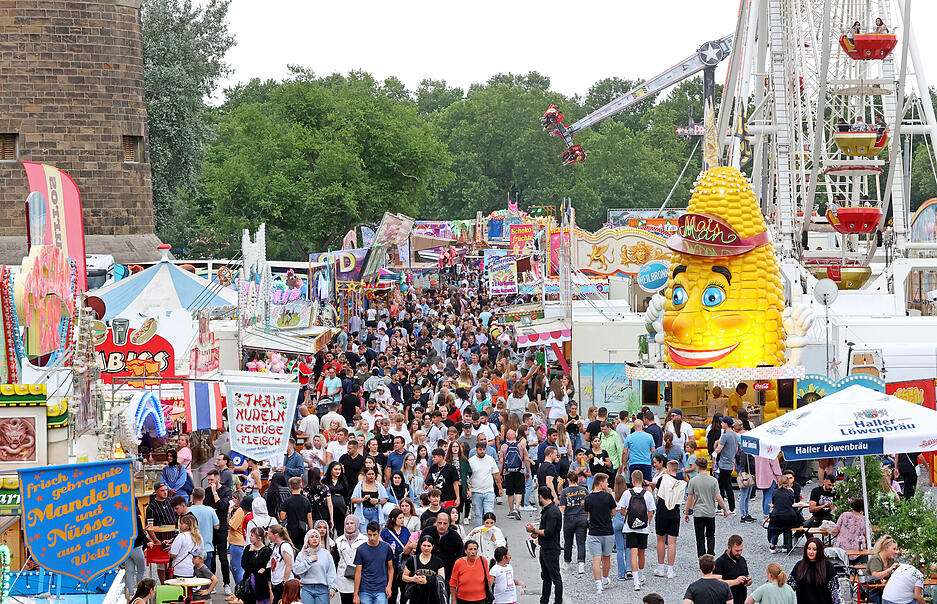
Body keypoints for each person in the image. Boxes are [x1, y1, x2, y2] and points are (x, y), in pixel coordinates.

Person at [618, 469, 656, 591]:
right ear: (642, 479)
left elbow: (622, 510)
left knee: (632, 553)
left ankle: (635, 582)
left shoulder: (627, 493)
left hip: (629, 527)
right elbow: (651, 512)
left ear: (633, 480)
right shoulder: (648, 494)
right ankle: (640, 576)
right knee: (642, 553)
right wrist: (646, 522)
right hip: (643, 528)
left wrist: (629, 517)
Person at [524, 487, 562, 604]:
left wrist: (534, 530)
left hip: (551, 549)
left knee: (556, 578)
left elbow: (549, 532)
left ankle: (558, 601)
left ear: (540, 496)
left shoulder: (552, 512)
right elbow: (545, 531)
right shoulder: (547, 510)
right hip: (545, 548)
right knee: (546, 577)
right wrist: (537, 533)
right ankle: (544, 601)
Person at [686, 457, 729, 556]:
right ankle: (710, 554)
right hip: (710, 512)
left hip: (698, 512)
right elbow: (718, 497)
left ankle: (701, 557)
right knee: (710, 535)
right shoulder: (713, 480)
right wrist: (725, 509)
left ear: (697, 466)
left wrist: (687, 512)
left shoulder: (693, 481)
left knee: (699, 537)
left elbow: (689, 498)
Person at [584, 472, 616, 593]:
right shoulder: (608, 497)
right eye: (606, 481)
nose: (607, 484)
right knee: (606, 557)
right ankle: (604, 578)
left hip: (594, 532)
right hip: (607, 531)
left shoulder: (588, 498)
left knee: (596, 559)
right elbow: (614, 512)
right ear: (600, 482)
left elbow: (588, 514)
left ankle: (598, 585)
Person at [654, 459, 686, 579]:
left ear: (667, 469)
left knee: (661, 540)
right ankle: (670, 570)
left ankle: (661, 568)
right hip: (674, 512)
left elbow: (658, 495)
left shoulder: (663, 479)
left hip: (662, 511)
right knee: (672, 542)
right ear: (676, 470)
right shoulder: (681, 483)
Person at [353, 521, 394, 604]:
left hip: (381, 589)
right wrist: (355, 594)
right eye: (369, 534)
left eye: (374, 535)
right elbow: (358, 573)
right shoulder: (361, 549)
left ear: (379, 533)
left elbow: (391, 569)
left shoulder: (386, 548)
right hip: (365, 589)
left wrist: (389, 585)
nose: (372, 538)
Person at [292, 529, 337, 604]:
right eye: (311, 537)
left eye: (317, 537)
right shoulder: (302, 554)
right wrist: (309, 560)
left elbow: (331, 571)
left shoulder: (326, 554)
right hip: (306, 588)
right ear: (307, 539)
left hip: (323, 588)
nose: (314, 539)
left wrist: (332, 587)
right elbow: (296, 570)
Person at [788, 538, 838, 604]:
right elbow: (789, 587)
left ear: (819, 550)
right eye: (809, 549)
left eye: (814, 549)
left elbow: (835, 592)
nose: (811, 552)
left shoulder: (828, 566)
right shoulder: (799, 565)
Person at [558, 469, 588, 576]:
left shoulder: (565, 492)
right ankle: (581, 564)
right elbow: (587, 504)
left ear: (568, 480)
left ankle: (567, 562)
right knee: (581, 542)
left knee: (568, 542)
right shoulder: (584, 490)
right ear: (577, 479)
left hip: (569, 518)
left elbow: (562, 507)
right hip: (582, 517)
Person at [380, 509, 412, 604]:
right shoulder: (386, 532)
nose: (402, 520)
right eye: (400, 518)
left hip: (403, 561)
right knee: (392, 589)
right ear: (393, 519)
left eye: (403, 518)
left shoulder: (405, 530)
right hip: (390, 562)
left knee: (404, 590)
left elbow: (408, 545)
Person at [422, 511, 464, 581]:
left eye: (445, 523)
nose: (442, 526)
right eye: (439, 523)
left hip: (447, 572)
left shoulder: (455, 537)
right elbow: (418, 550)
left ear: (449, 524)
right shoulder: (427, 531)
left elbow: (460, 555)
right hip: (426, 570)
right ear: (436, 523)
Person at [403, 536, 446, 604]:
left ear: (432, 546)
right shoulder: (412, 560)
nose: (426, 548)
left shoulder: (438, 561)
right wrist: (413, 579)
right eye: (424, 545)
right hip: (415, 596)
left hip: (433, 597)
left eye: (429, 546)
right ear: (420, 545)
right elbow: (404, 577)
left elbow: (441, 579)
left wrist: (428, 580)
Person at [467, 440, 501, 527]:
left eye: (483, 449)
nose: (482, 451)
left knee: (489, 513)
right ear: (476, 450)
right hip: (476, 491)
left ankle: (489, 531)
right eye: (480, 449)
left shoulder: (490, 460)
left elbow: (496, 475)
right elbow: (467, 477)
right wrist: (469, 489)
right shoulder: (471, 461)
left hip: (489, 491)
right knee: (478, 514)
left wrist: (500, 488)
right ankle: (479, 533)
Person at [237, 527, 273, 604]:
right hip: (248, 578)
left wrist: (251, 553)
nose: (249, 537)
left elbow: (259, 565)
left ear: (259, 538)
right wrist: (254, 569)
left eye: (252, 535)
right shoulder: (248, 547)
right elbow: (243, 564)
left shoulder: (266, 551)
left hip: (260, 582)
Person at [499, 429, 529, 520]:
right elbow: (526, 458)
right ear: (515, 436)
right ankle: (517, 508)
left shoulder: (504, 446)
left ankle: (511, 511)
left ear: (506, 437)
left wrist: (500, 473)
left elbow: (501, 461)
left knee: (510, 492)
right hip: (519, 471)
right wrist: (528, 471)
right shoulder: (521, 445)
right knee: (519, 491)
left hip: (508, 472)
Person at [337, 516, 367, 604]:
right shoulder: (339, 540)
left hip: (360, 578)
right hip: (344, 578)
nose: (349, 526)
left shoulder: (364, 540)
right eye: (347, 523)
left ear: (357, 524)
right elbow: (336, 559)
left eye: (352, 523)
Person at [449, 540, 491, 604]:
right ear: (465, 551)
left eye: (475, 549)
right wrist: (453, 600)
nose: (473, 552)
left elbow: (488, 580)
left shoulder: (483, 560)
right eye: (470, 549)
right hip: (463, 599)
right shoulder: (459, 563)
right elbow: (453, 583)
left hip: (481, 599)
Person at [767, 475, 801, 553]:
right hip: (789, 515)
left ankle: (773, 546)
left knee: (775, 530)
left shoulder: (775, 492)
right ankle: (785, 546)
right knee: (787, 530)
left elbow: (774, 503)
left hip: (777, 516)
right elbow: (792, 502)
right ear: (788, 483)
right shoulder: (790, 492)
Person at [714, 535, 752, 604]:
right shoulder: (719, 563)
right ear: (729, 547)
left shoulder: (742, 560)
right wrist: (735, 581)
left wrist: (749, 581)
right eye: (737, 550)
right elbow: (716, 584)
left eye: (741, 550)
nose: (740, 553)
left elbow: (746, 575)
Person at [712, 416, 739, 515]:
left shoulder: (725, 435)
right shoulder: (735, 435)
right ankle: (720, 507)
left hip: (724, 464)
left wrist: (713, 455)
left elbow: (718, 449)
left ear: (726, 424)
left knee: (725, 486)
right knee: (722, 485)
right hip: (730, 462)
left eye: (722, 423)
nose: (721, 424)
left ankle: (731, 509)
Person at [610, 473, 633, 582]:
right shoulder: (628, 493)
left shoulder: (612, 494)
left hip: (615, 519)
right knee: (628, 546)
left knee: (619, 548)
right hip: (625, 519)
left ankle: (621, 573)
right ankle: (629, 569)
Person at [281, 476, 314, 548]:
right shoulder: (306, 500)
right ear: (301, 486)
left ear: (290, 486)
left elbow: (282, 517)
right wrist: (311, 530)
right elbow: (309, 517)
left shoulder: (287, 501)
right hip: (303, 528)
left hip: (291, 528)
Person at [866, 535, 899, 603]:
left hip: (885, 589)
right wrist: (890, 569)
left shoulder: (890, 560)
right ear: (886, 548)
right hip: (872, 590)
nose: (896, 552)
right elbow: (875, 576)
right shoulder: (876, 559)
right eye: (894, 549)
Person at [623, 419, 656, 485]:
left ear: (634, 427)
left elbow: (624, 451)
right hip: (646, 463)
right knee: (647, 484)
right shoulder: (649, 436)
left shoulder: (629, 437)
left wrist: (624, 463)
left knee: (634, 484)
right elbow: (653, 451)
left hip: (634, 463)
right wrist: (654, 463)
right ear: (643, 426)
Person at [268, 525, 295, 604]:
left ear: (275, 535)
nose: (268, 536)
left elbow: (289, 565)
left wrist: (284, 582)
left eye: (269, 534)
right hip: (276, 582)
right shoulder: (275, 546)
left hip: (283, 583)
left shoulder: (285, 546)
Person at [169, 514, 202, 578]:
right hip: (193, 569)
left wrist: (169, 552)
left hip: (180, 569)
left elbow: (173, 554)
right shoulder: (199, 537)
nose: (180, 525)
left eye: (182, 523)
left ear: (188, 525)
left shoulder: (181, 536)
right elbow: (200, 552)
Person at [755, 454, 783, 524]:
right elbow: (775, 467)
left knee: (765, 496)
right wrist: (780, 477)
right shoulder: (771, 452)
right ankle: (766, 517)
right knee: (769, 496)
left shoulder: (758, 452)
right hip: (771, 477)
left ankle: (765, 515)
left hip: (761, 477)